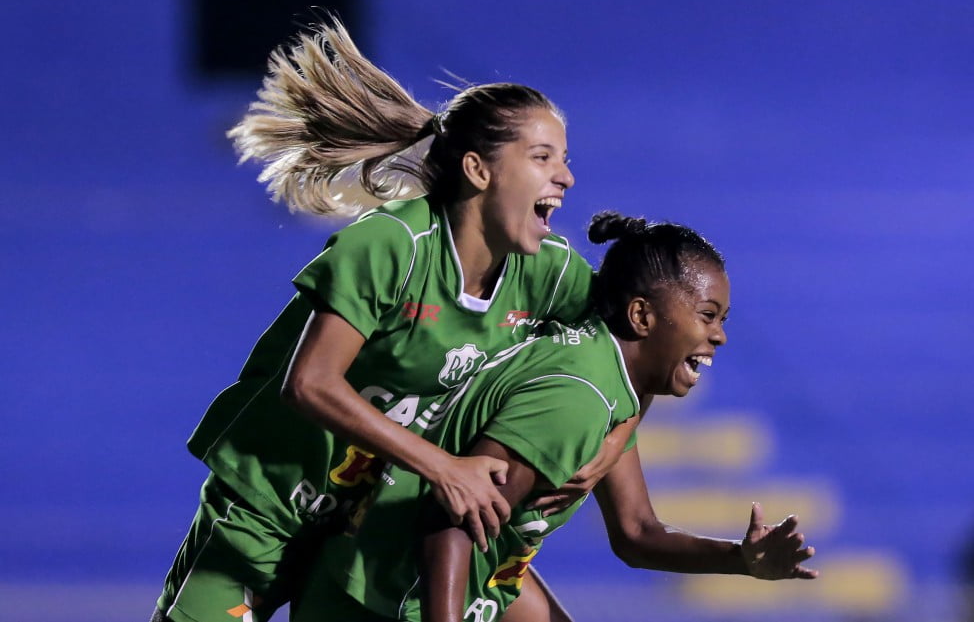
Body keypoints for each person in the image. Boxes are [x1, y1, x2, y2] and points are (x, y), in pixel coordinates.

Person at [151, 21, 635, 622]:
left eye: (564, 160)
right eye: (542, 158)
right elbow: (309, 383)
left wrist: (613, 443)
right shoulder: (393, 246)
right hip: (268, 508)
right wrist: (442, 466)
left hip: (370, 531)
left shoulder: (551, 274)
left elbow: (629, 353)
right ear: (479, 171)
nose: (565, 177)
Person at [290, 213, 818, 622]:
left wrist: (741, 561)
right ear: (641, 316)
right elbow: (451, 519)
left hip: (397, 587)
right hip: (381, 604)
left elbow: (635, 532)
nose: (720, 335)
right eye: (707, 316)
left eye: (722, 319)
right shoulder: (578, 399)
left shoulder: (604, 377)